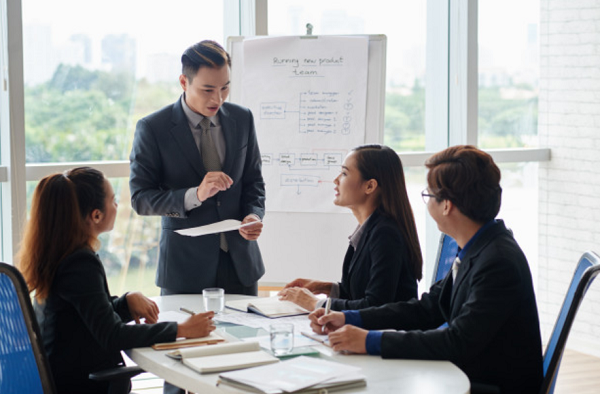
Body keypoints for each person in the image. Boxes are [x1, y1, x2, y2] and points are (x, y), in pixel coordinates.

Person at [309, 145, 544, 393]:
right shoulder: (478, 247)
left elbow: (457, 342)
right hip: (470, 372)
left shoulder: (497, 262)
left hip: (491, 385)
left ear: (447, 205)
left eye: (428, 195)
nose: (425, 202)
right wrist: (348, 317)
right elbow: (427, 308)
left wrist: (370, 340)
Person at [17, 167, 215, 394]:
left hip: (61, 377)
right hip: (81, 385)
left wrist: (126, 302)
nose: (117, 206)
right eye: (113, 200)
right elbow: (112, 335)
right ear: (96, 215)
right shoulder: (80, 263)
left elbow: (89, 315)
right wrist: (181, 329)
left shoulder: (60, 253)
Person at [129, 40, 265, 297]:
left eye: (225, 87)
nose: (218, 98)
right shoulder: (152, 128)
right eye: (208, 89)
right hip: (184, 269)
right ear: (184, 82)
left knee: (245, 337)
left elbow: (254, 181)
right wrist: (196, 195)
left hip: (241, 266)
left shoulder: (242, 118)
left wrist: (254, 215)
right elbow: (140, 199)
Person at [279, 144, 422, 311]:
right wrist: (325, 287)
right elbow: (359, 293)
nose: (336, 180)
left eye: (345, 173)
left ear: (370, 186)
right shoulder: (370, 228)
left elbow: (374, 306)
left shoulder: (385, 234)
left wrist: (316, 304)